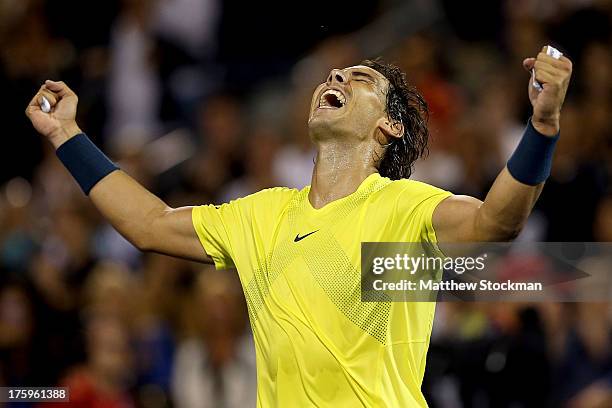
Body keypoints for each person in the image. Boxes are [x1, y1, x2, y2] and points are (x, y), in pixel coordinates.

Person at [25, 47, 572, 406]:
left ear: (388, 125)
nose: (335, 77)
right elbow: (148, 224)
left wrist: (542, 128)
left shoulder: (404, 207)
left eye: (359, 79)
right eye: (335, 73)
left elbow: (496, 222)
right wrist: (68, 135)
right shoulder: (260, 214)